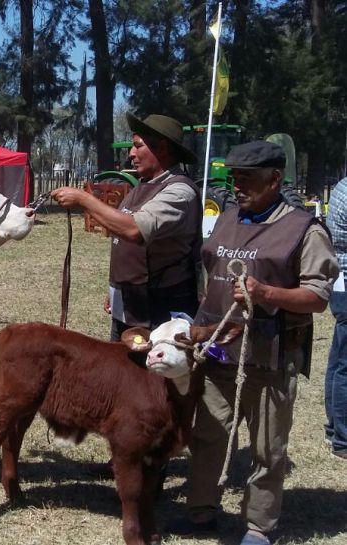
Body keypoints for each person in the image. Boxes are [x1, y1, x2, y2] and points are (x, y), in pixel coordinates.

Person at [167, 141, 338, 545]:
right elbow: (210, 276)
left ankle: (259, 526)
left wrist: (266, 294)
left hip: (270, 355)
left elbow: (317, 297)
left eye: (247, 179)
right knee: (208, 435)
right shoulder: (227, 218)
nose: (237, 187)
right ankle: (201, 510)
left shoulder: (304, 229)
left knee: (267, 448)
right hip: (217, 349)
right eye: (234, 178)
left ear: (276, 178)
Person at [52, 113, 201, 340]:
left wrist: (84, 200)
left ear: (161, 148)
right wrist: (116, 290)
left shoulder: (180, 192)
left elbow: (133, 229)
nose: (131, 154)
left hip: (162, 312)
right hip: (130, 302)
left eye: (137, 146)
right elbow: (121, 238)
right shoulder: (142, 187)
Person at [325, 176, 347, 462]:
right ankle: (343, 436)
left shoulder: (342, 185)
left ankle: (336, 428)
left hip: (340, 282)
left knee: (338, 361)